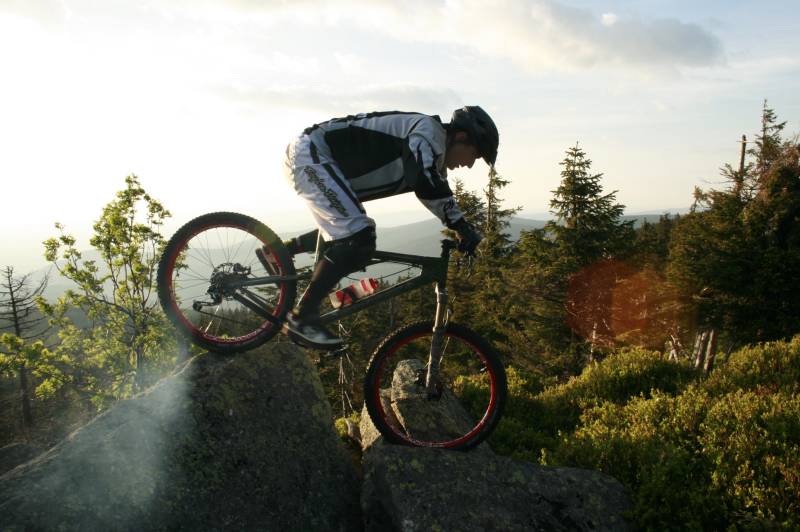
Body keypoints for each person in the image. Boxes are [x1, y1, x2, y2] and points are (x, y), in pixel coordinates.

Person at [277, 106, 499, 347]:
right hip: (312, 154)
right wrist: (463, 228)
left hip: (315, 156)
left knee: (353, 232)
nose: (470, 165)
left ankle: (279, 251)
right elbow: (425, 181)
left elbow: (436, 190)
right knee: (358, 238)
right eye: (475, 155)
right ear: (462, 137)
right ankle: (302, 319)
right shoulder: (428, 133)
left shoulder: (432, 148)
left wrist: (461, 227)